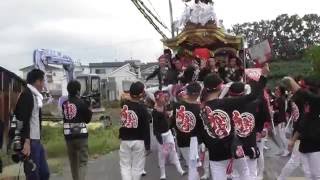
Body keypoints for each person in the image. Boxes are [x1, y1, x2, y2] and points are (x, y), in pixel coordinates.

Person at [199, 64, 269, 180]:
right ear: (220, 86)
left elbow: (200, 133)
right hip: (234, 148)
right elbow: (253, 95)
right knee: (245, 174)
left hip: (215, 153)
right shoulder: (226, 103)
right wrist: (264, 76)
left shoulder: (200, 109)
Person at [228, 82, 269, 180]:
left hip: (241, 143)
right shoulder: (253, 103)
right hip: (244, 143)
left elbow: (264, 116)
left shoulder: (224, 105)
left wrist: (261, 129)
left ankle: (260, 173)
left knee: (240, 173)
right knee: (248, 172)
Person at [14, 69, 50, 180]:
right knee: (33, 174)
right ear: (37, 81)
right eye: (42, 81)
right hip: (30, 141)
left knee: (44, 173)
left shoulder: (35, 96)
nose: (43, 85)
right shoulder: (27, 95)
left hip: (37, 141)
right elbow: (23, 119)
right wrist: (26, 141)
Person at [282, 76, 320, 180]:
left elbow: (302, 92)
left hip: (315, 142)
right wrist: (293, 139)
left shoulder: (316, 101)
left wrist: (291, 80)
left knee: (316, 175)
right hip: (305, 141)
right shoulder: (309, 105)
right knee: (308, 173)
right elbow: (303, 122)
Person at [119, 81, 151, 180]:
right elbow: (146, 128)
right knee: (137, 167)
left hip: (125, 140)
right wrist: (147, 145)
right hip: (139, 140)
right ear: (141, 94)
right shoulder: (142, 108)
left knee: (125, 166)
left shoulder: (125, 107)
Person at [62, 80, 92, 180]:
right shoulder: (82, 103)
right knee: (83, 162)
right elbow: (87, 120)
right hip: (81, 135)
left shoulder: (64, 104)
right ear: (78, 91)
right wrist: (89, 107)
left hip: (68, 136)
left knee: (73, 162)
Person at [172, 82, 203, 180]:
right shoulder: (199, 109)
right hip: (194, 141)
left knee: (192, 166)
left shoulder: (176, 105)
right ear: (197, 94)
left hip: (181, 140)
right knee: (194, 167)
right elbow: (201, 128)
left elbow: (174, 122)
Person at [152, 90, 186, 180]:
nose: (165, 98)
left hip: (168, 133)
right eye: (162, 97)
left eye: (164, 97)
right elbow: (155, 127)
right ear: (157, 99)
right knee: (162, 154)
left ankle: (180, 170)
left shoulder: (164, 107)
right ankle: (163, 174)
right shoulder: (154, 111)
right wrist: (159, 137)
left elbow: (166, 117)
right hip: (160, 135)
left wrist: (169, 115)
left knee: (173, 150)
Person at [273, 85, 290, 156]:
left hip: (281, 120)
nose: (276, 90)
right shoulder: (277, 98)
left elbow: (282, 111)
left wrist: (274, 112)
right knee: (276, 135)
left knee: (282, 136)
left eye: (277, 89)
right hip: (276, 119)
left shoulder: (281, 99)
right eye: (276, 89)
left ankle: (287, 150)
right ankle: (281, 149)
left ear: (280, 91)